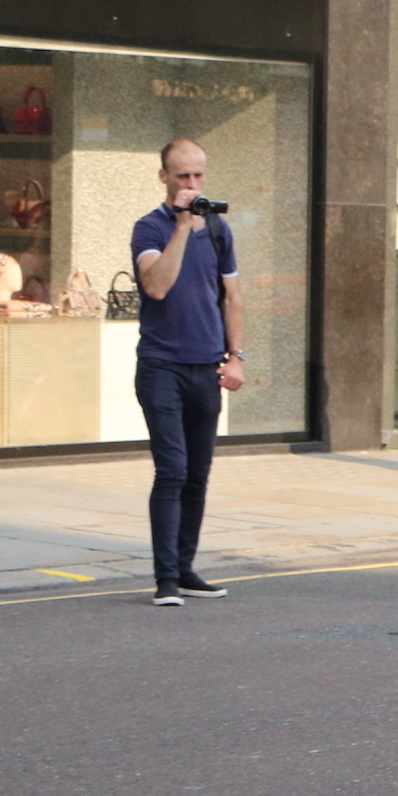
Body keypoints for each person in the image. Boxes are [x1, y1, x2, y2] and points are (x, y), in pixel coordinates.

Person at [130, 139, 244, 607]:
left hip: (207, 366)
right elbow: (156, 286)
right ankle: (165, 580)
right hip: (162, 367)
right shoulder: (150, 228)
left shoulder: (219, 230)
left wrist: (237, 357)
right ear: (164, 178)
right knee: (172, 470)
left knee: (197, 473)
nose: (192, 185)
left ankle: (186, 568)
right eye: (182, 176)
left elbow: (232, 298)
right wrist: (181, 225)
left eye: (198, 175)